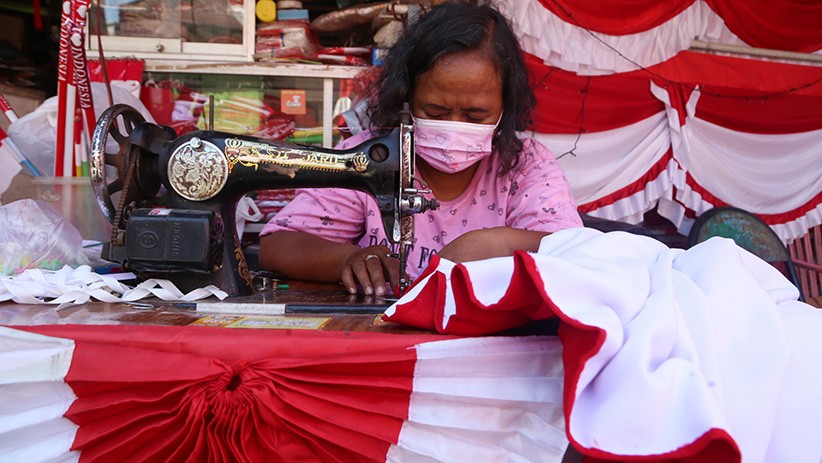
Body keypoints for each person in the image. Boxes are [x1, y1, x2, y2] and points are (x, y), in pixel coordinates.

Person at [258, 1, 582, 297]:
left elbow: (576, 252)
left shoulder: (525, 167)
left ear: (505, 106)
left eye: (475, 115)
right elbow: (278, 244)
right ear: (406, 99)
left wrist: (495, 243)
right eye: (436, 112)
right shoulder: (371, 157)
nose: (454, 124)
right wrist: (348, 259)